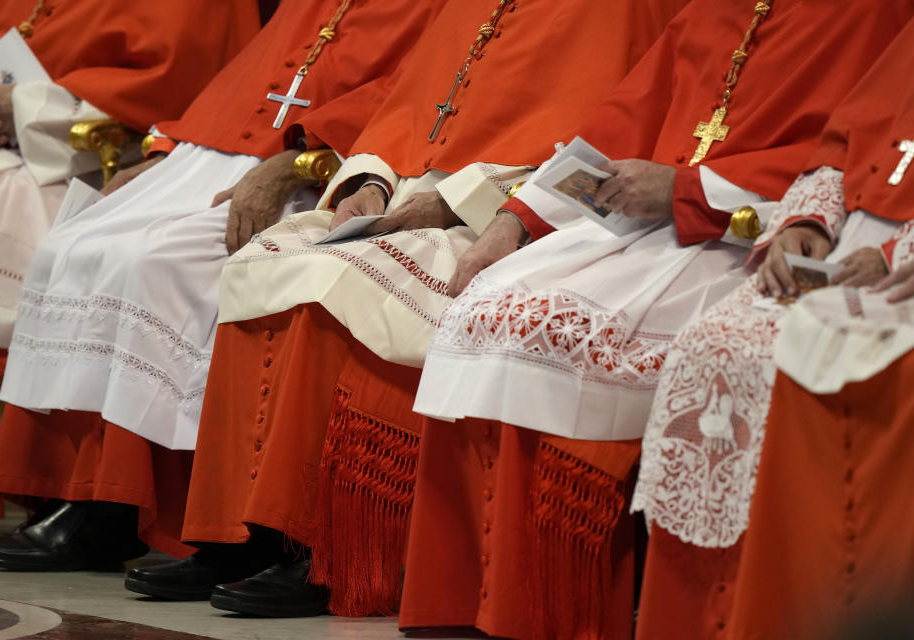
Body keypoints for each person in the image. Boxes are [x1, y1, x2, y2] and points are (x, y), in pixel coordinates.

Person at [279, 1, 911, 637]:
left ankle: (557, 604)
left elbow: (836, 154)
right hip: (642, 223)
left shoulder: (872, 15)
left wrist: (687, 189)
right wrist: (513, 222)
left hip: (730, 229)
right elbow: (619, 122)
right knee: (490, 298)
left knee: (559, 329)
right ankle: (467, 598)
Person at [176, 0, 687, 623]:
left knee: (330, 282)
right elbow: (405, 116)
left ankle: (311, 544)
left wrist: (454, 203)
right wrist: (372, 182)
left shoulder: (619, 13)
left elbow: (594, 146)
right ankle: (233, 535)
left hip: (490, 215)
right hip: (404, 198)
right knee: (265, 259)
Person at [0, 0, 446, 580]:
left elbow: (404, 98)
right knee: (70, 245)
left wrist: (296, 160)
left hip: (301, 165)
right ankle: (75, 491)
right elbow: (248, 80)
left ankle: (122, 506)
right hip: (212, 157)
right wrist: (166, 151)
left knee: (153, 264)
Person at [631, 20, 914, 638]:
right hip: (844, 249)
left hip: (903, 277)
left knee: (822, 363)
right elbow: (841, 148)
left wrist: (898, 258)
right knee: (714, 346)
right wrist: (804, 222)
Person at [0, 0, 259, 546]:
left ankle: (96, 494)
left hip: (88, 156)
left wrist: (25, 106)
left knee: (83, 249)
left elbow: (180, 84)